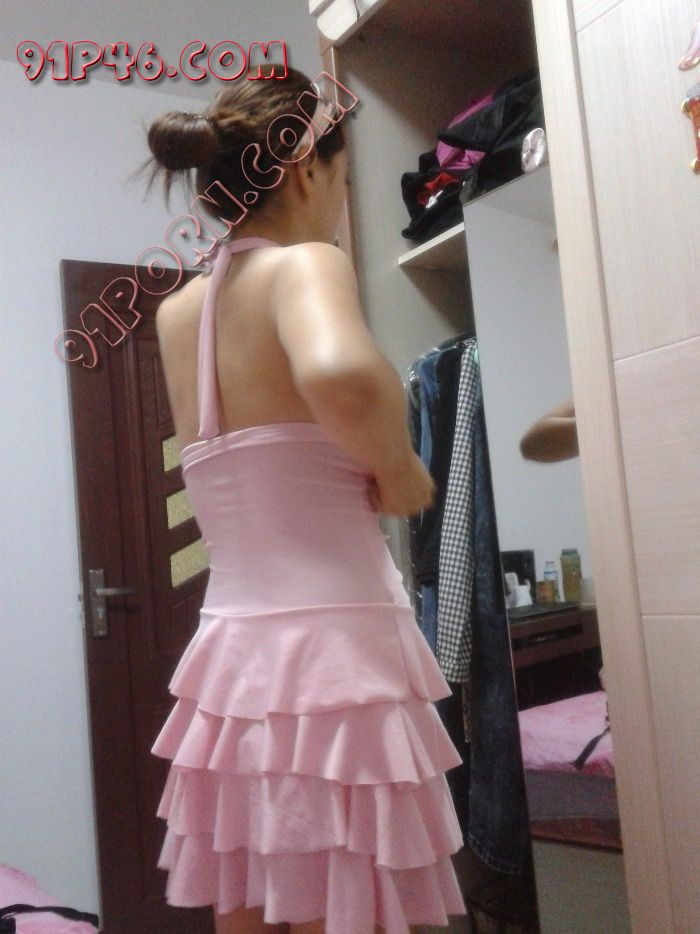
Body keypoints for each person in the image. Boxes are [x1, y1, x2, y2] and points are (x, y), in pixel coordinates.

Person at [142, 64, 467, 934]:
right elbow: (340, 372)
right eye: (345, 179)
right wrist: (399, 469)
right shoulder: (305, 266)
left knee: (254, 901)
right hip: (335, 660)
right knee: (353, 907)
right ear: (304, 170)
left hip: (235, 666)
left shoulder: (180, 313)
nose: (341, 203)